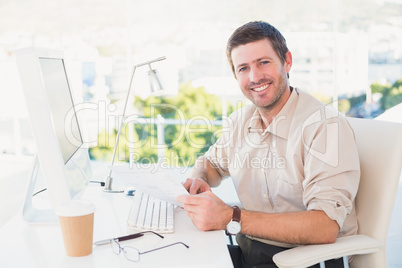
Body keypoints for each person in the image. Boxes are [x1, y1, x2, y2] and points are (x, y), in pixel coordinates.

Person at [177, 21, 360, 268]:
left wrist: (231, 217)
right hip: (249, 251)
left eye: (263, 62)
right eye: (243, 68)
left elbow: (325, 226)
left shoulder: (325, 126)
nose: (254, 77)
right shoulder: (240, 121)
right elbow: (210, 163)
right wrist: (200, 178)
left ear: (287, 61)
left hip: (306, 259)